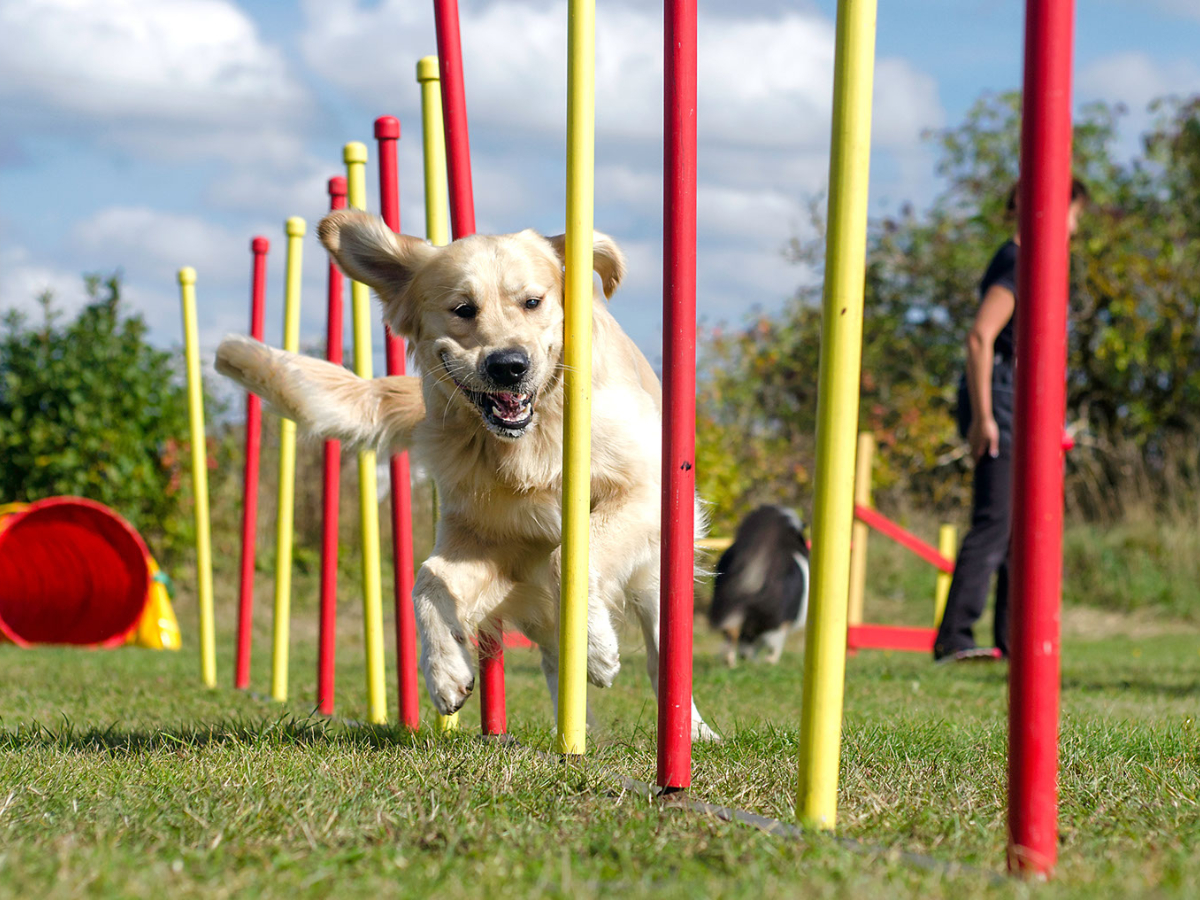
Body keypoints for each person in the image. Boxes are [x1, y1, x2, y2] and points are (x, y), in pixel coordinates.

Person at [933, 178, 1089, 663]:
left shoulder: (1035, 263)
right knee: (995, 522)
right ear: (1041, 207)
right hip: (1000, 401)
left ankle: (1009, 638)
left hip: (1023, 404)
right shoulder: (1017, 260)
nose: (1074, 228)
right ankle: (953, 639)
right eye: (1073, 215)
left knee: (1022, 527)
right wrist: (984, 417)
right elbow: (981, 337)